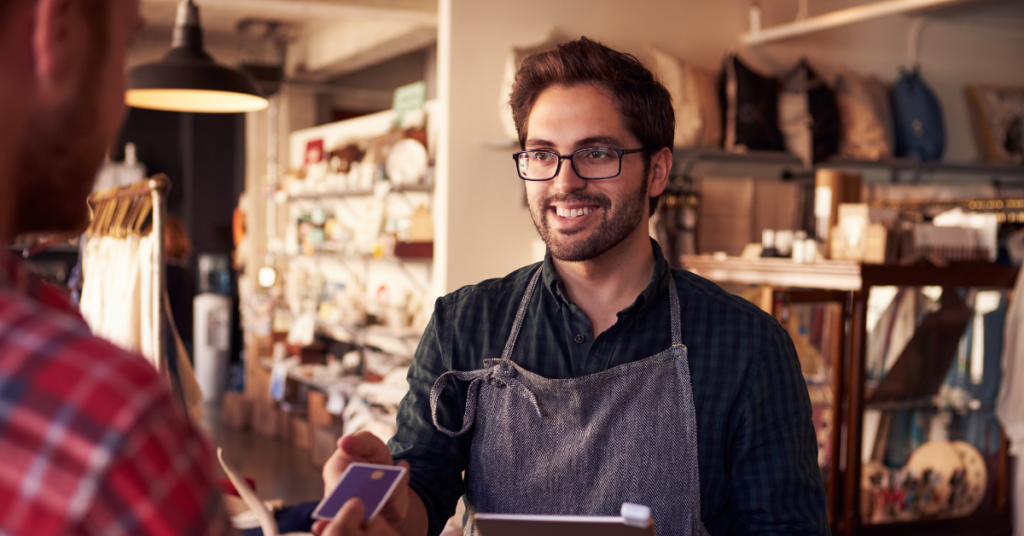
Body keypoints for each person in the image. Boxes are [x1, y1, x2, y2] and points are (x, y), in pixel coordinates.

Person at [319, 37, 830, 536]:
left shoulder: (748, 346)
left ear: (657, 171)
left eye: (597, 153)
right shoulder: (465, 322)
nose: (564, 182)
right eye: (542, 154)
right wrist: (381, 509)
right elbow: (422, 496)